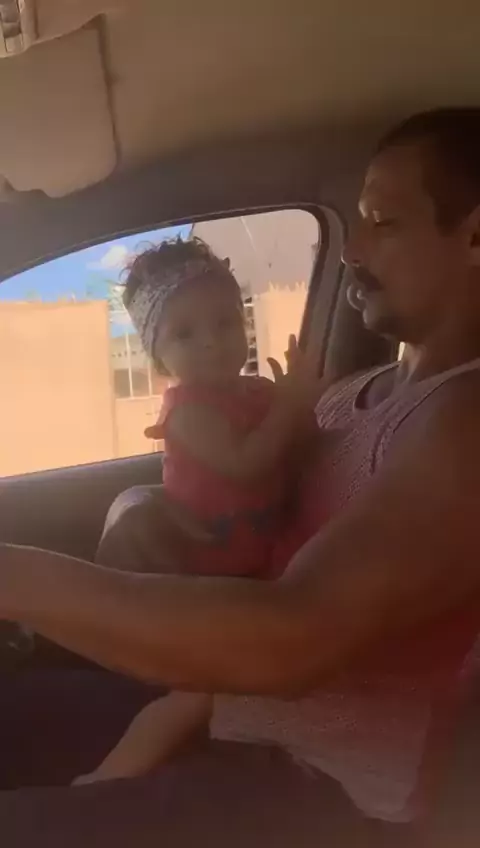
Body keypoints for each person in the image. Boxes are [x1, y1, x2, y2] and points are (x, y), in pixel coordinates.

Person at [2, 106, 480, 846]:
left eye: (382, 222)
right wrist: (152, 512)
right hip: (232, 711)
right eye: (355, 222)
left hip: (320, 785)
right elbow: (255, 512)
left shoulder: (462, 422)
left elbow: (292, 638)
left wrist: (16, 577)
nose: (352, 250)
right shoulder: (350, 395)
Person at [74, 238, 320, 784]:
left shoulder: (257, 392)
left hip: (260, 559)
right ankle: (104, 782)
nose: (211, 342)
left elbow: (300, 448)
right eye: (185, 334)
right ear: (158, 356)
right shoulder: (188, 413)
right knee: (195, 698)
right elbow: (246, 465)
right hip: (205, 567)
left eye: (225, 323)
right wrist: (292, 406)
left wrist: (298, 410)